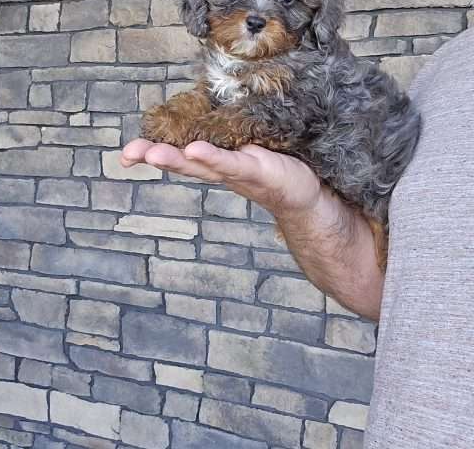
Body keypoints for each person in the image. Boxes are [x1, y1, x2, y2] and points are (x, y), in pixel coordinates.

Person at [121, 29, 474, 447]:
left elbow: (281, 115)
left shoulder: (307, 72)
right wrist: (300, 205)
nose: (257, 11)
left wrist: (215, 126)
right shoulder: (452, 61)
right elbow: (389, 291)